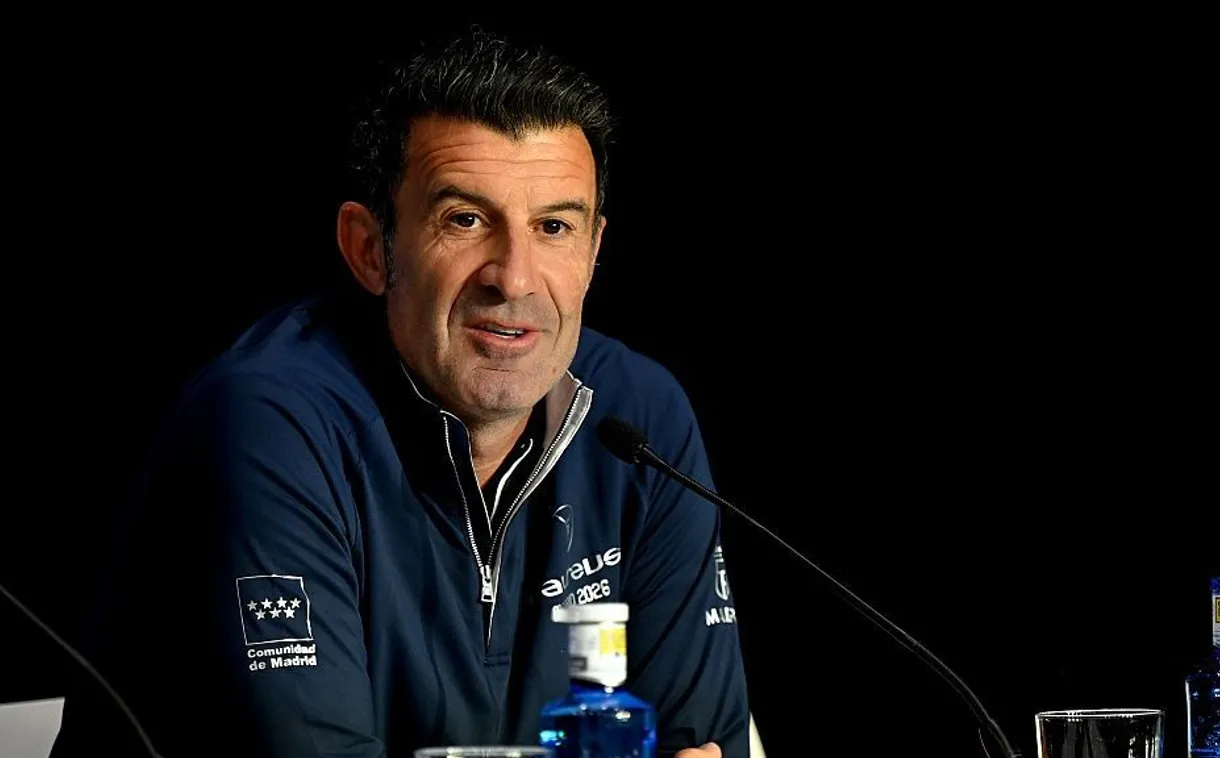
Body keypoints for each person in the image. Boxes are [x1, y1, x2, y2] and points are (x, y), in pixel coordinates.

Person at [51, 27, 751, 758]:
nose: (513, 278)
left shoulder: (640, 417)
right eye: (465, 221)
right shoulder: (268, 420)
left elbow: (707, 746)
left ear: (593, 250)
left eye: (553, 227)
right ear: (370, 249)